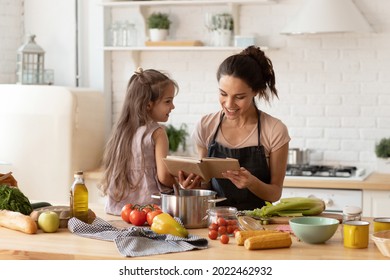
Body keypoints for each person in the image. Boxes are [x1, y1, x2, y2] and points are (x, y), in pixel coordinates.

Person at [179, 45, 290, 211]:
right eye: (223, 94)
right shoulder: (206, 126)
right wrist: (192, 187)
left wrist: (252, 183)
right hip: (216, 222)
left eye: (239, 97)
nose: (229, 104)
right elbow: (206, 185)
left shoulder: (274, 130)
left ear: (256, 92)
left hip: (257, 223)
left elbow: (275, 193)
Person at [100, 68, 179, 215]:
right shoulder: (157, 133)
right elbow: (163, 177)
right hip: (148, 211)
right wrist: (180, 185)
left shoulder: (122, 130)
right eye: (168, 101)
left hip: (119, 210)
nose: (172, 106)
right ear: (148, 105)